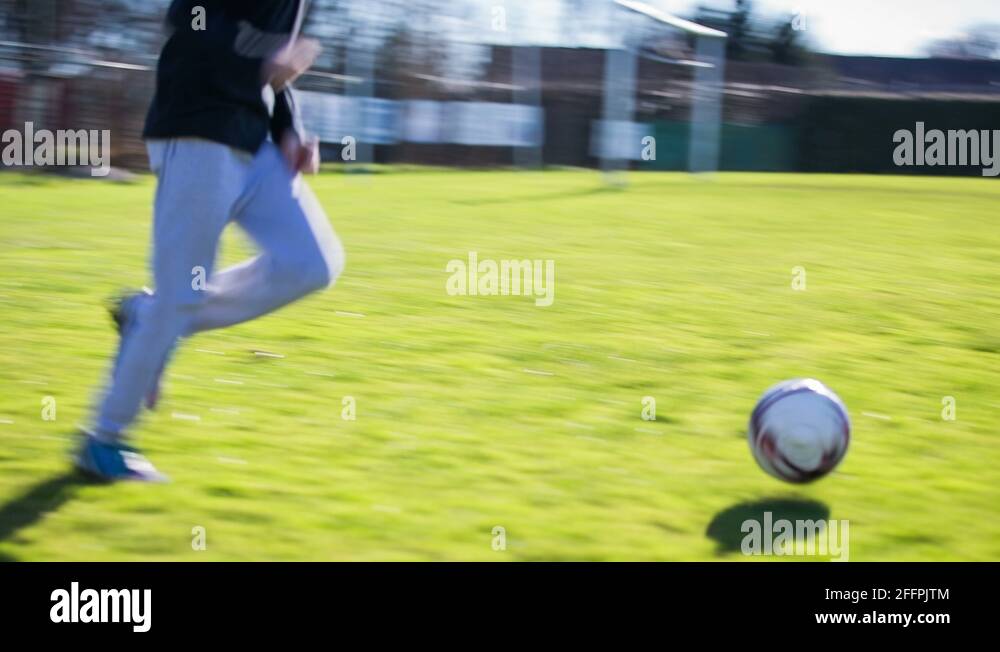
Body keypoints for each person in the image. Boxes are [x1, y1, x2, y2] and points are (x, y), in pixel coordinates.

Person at [75, 0, 344, 482]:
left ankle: (149, 317)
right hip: (197, 129)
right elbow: (188, 18)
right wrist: (262, 68)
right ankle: (102, 439)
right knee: (179, 295)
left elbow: (274, 66)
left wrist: (289, 130)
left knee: (313, 262)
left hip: (254, 141)